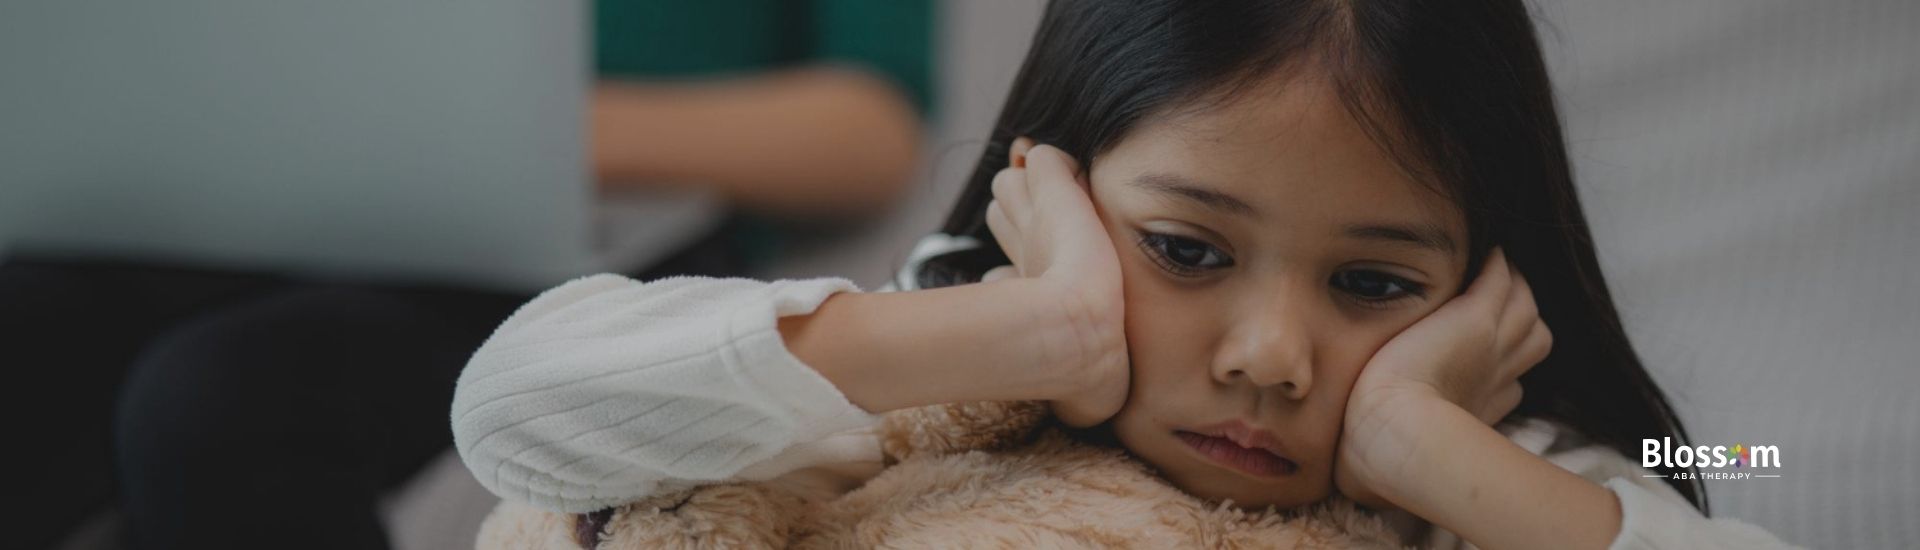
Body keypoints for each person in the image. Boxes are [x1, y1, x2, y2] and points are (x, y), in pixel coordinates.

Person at [450, 1, 1799, 548]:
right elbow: (512, 416)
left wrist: (1418, 440)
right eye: (1187, 251)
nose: (1270, 354)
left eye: (1373, 283)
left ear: (1481, 275)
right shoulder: (938, 374)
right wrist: (1027, 329)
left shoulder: (1496, 459)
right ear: (1061, 198)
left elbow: (1748, 492)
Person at [15, 1, 930, 548]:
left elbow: (874, 127)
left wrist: (530, 129)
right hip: (207, 187)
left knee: (220, 398)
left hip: (593, 224)